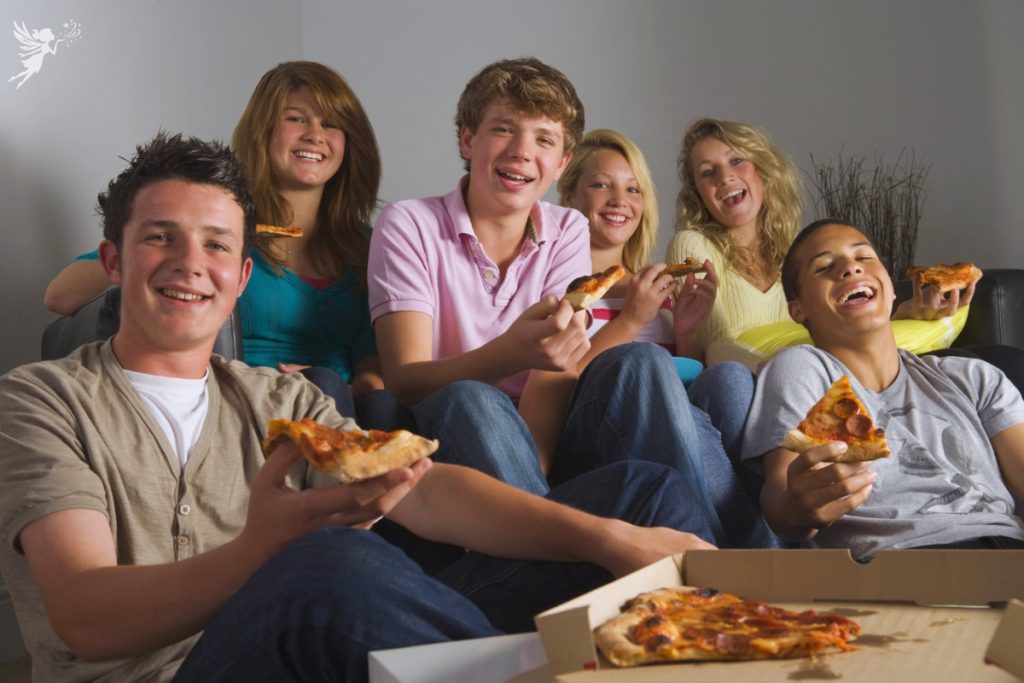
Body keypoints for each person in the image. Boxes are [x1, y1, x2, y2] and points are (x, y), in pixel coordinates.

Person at [0, 133, 716, 683]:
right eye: (161, 236)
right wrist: (261, 550)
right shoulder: (39, 399)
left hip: (315, 646)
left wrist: (609, 540)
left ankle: (718, 644)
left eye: (217, 244)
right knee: (332, 564)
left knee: (640, 496)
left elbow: (425, 491)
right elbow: (85, 616)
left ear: (241, 273)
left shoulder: (279, 397)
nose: (191, 262)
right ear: (115, 260)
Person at [368, 57, 767, 548]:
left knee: (640, 360)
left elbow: (558, 369)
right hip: (456, 432)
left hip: (550, 435)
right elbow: (406, 379)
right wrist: (511, 356)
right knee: (473, 397)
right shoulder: (409, 224)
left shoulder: (567, 229)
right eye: (503, 130)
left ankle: (709, 562)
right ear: (468, 140)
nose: (521, 151)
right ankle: (555, 548)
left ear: (560, 163)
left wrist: (533, 462)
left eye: (543, 139)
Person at [42, 61, 387, 421]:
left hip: (340, 404)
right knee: (321, 384)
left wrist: (358, 387)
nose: (315, 135)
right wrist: (203, 240)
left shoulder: (365, 245)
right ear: (263, 130)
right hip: (246, 401)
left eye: (330, 124)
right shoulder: (218, 223)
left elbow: (371, 363)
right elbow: (58, 295)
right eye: (297, 119)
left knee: (374, 403)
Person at [741, 219, 1024, 559]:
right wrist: (795, 507)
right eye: (825, 267)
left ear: (891, 287)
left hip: (1008, 555)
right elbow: (781, 493)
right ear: (797, 309)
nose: (850, 267)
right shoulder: (805, 369)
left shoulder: (973, 378)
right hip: (904, 564)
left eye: (863, 257)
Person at [555, 128, 771, 541]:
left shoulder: (656, 287)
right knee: (646, 363)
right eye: (601, 185)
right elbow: (558, 385)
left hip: (675, 433)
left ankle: (773, 532)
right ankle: (738, 549)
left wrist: (687, 332)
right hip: (594, 436)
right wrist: (630, 323)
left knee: (728, 376)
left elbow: (689, 381)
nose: (620, 200)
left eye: (633, 189)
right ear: (569, 197)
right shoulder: (560, 288)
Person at [667, 117, 971, 370]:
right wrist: (789, 374)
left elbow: (833, 324)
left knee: (970, 362)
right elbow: (717, 349)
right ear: (698, 193)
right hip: (748, 387)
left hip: (820, 376)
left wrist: (906, 312)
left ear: (763, 171)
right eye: (708, 172)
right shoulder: (691, 246)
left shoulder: (799, 250)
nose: (724, 177)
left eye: (736, 161)